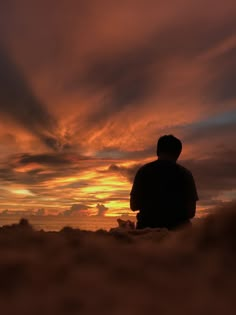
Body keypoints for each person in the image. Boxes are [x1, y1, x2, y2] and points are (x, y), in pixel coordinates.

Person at [130, 135, 198, 229]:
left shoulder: (143, 171)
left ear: (158, 151)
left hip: (147, 230)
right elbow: (191, 212)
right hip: (179, 233)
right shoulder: (185, 174)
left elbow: (133, 206)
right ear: (178, 153)